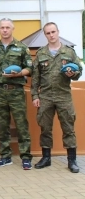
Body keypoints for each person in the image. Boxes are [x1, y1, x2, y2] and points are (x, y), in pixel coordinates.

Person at [31, 22, 82, 173]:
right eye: (48, 33)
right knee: (45, 127)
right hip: (45, 96)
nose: (51, 35)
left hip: (63, 96)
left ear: (58, 32)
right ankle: (46, 158)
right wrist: (35, 95)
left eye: (53, 32)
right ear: (45, 35)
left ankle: (71, 161)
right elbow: (35, 77)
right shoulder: (41, 53)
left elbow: (79, 70)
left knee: (68, 128)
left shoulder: (69, 52)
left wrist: (74, 74)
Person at [0, 18, 33, 170]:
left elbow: (30, 69)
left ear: (13, 29)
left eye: (7, 27)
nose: (4, 30)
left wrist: (18, 73)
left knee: (21, 125)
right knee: (2, 125)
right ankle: (5, 156)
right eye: (2, 27)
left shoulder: (21, 47)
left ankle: (26, 157)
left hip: (16, 91)